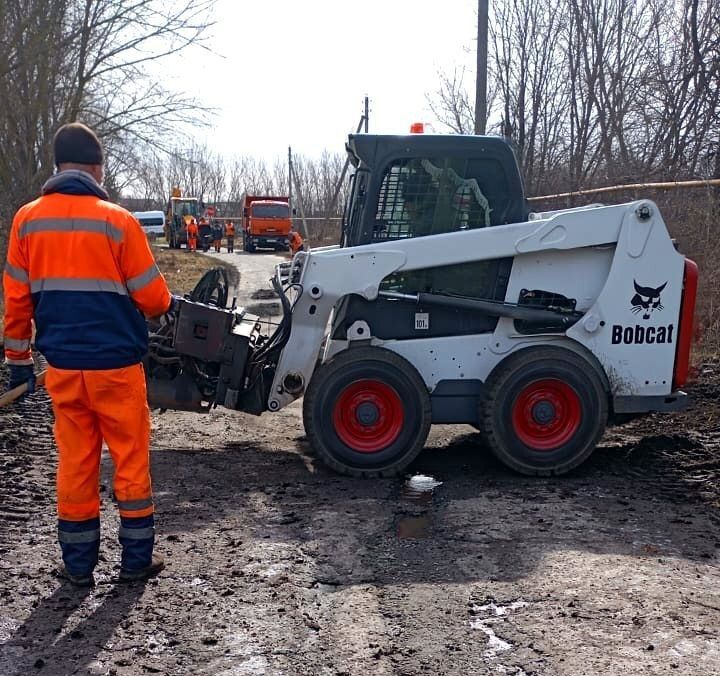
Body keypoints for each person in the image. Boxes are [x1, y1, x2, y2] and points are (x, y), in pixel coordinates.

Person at [2, 122, 172, 586]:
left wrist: (18, 363)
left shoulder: (27, 220)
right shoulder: (117, 221)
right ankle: (135, 562)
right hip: (117, 368)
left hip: (62, 369)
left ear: (57, 166)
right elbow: (155, 300)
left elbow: (16, 302)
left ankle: (78, 568)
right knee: (130, 459)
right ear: (97, 167)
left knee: (76, 461)